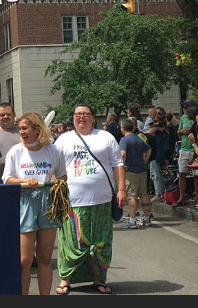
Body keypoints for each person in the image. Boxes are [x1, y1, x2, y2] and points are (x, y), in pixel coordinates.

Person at [53, 104, 125, 295]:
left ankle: (98, 280)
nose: (81, 117)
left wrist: (121, 189)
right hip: (72, 202)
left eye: (85, 114)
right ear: (73, 117)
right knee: (71, 243)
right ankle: (65, 280)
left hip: (101, 200)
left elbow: (118, 163)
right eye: (78, 114)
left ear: (94, 118)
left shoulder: (105, 137)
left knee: (101, 243)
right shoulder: (63, 139)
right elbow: (53, 167)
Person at [2, 112, 66, 295]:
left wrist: (56, 185)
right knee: (24, 260)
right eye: (20, 128)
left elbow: (62, 175)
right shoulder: (16, 151)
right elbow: (6, 179)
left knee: (45, 258)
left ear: (37, 130)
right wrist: (24, 182)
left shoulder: (53, 150)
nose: (21, 132)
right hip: (25, 201)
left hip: (48, 201)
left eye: (24, 128)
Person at [119, 118, 151, 228]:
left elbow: (123, 154)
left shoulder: (124, 140)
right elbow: (148, 149)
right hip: (142, 169)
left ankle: (132, 220)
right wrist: (145, 160)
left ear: (122, 128)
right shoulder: (138, 139)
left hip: (131, 170)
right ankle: (147, 218)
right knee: (143, 194)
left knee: (132, 195)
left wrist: (122, 164)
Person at [173, 100, 198, 207]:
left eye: (185, 108)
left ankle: (197, 197)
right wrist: (182, 131)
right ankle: (181, 197)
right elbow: (178, 132)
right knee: (182, 173)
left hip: (194, 148)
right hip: (184, 148)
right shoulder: (183, 117)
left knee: (196, 175)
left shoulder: (196, 118)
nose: (184, 110)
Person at [0, 103, 20, 177]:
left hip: (22, 179)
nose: (5, 117)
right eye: (2, 115)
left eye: (8, 114)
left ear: (14, 115)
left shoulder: (23, 132)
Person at [147, 108, 168, 201]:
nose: (156, 116)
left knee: (156, 173)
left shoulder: (161, 126)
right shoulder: (156, 125)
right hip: (156, 152)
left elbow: (149, 132)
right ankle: (162, 193)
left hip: (158, 152)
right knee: (156, 173)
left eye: (159, 113)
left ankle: (159, 193)